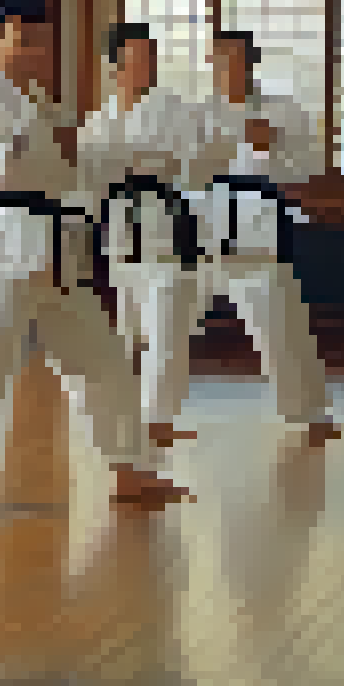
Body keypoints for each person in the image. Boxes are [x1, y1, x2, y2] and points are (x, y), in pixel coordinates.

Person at [0, 0, 183, 513]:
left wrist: (128, 158)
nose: (36, 51)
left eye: (42, 41)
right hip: (3, 243)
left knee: (100, 357)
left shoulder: (40, 102)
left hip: (58, 243)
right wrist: (19, 149)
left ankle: (130, 467)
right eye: (24, 39)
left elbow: (74, 167)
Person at [192, 25, 339, 444]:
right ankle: (154, 414)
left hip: (258, 218)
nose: (226, 66)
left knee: (278, 313)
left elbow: (307, 166)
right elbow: (180, 171)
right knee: (169, 316)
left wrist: (271, 145)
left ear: (251, 61)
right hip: (204, 217)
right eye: (218, 58)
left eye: (235, 58)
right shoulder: (197, 114)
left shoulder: (282, 110)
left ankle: (311, 411)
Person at [81, 23, 211, 449]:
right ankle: (126, 412)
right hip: (120, 231)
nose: (144, 67)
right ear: (115, 64)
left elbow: (191, 163)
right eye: (135, 59)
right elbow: (87, 173)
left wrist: (133, 162)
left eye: (149, 58)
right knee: (127, 327)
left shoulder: (177, 109)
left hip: (167, 226)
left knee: (167, 323)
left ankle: (158, 417)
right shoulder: (100, 119)